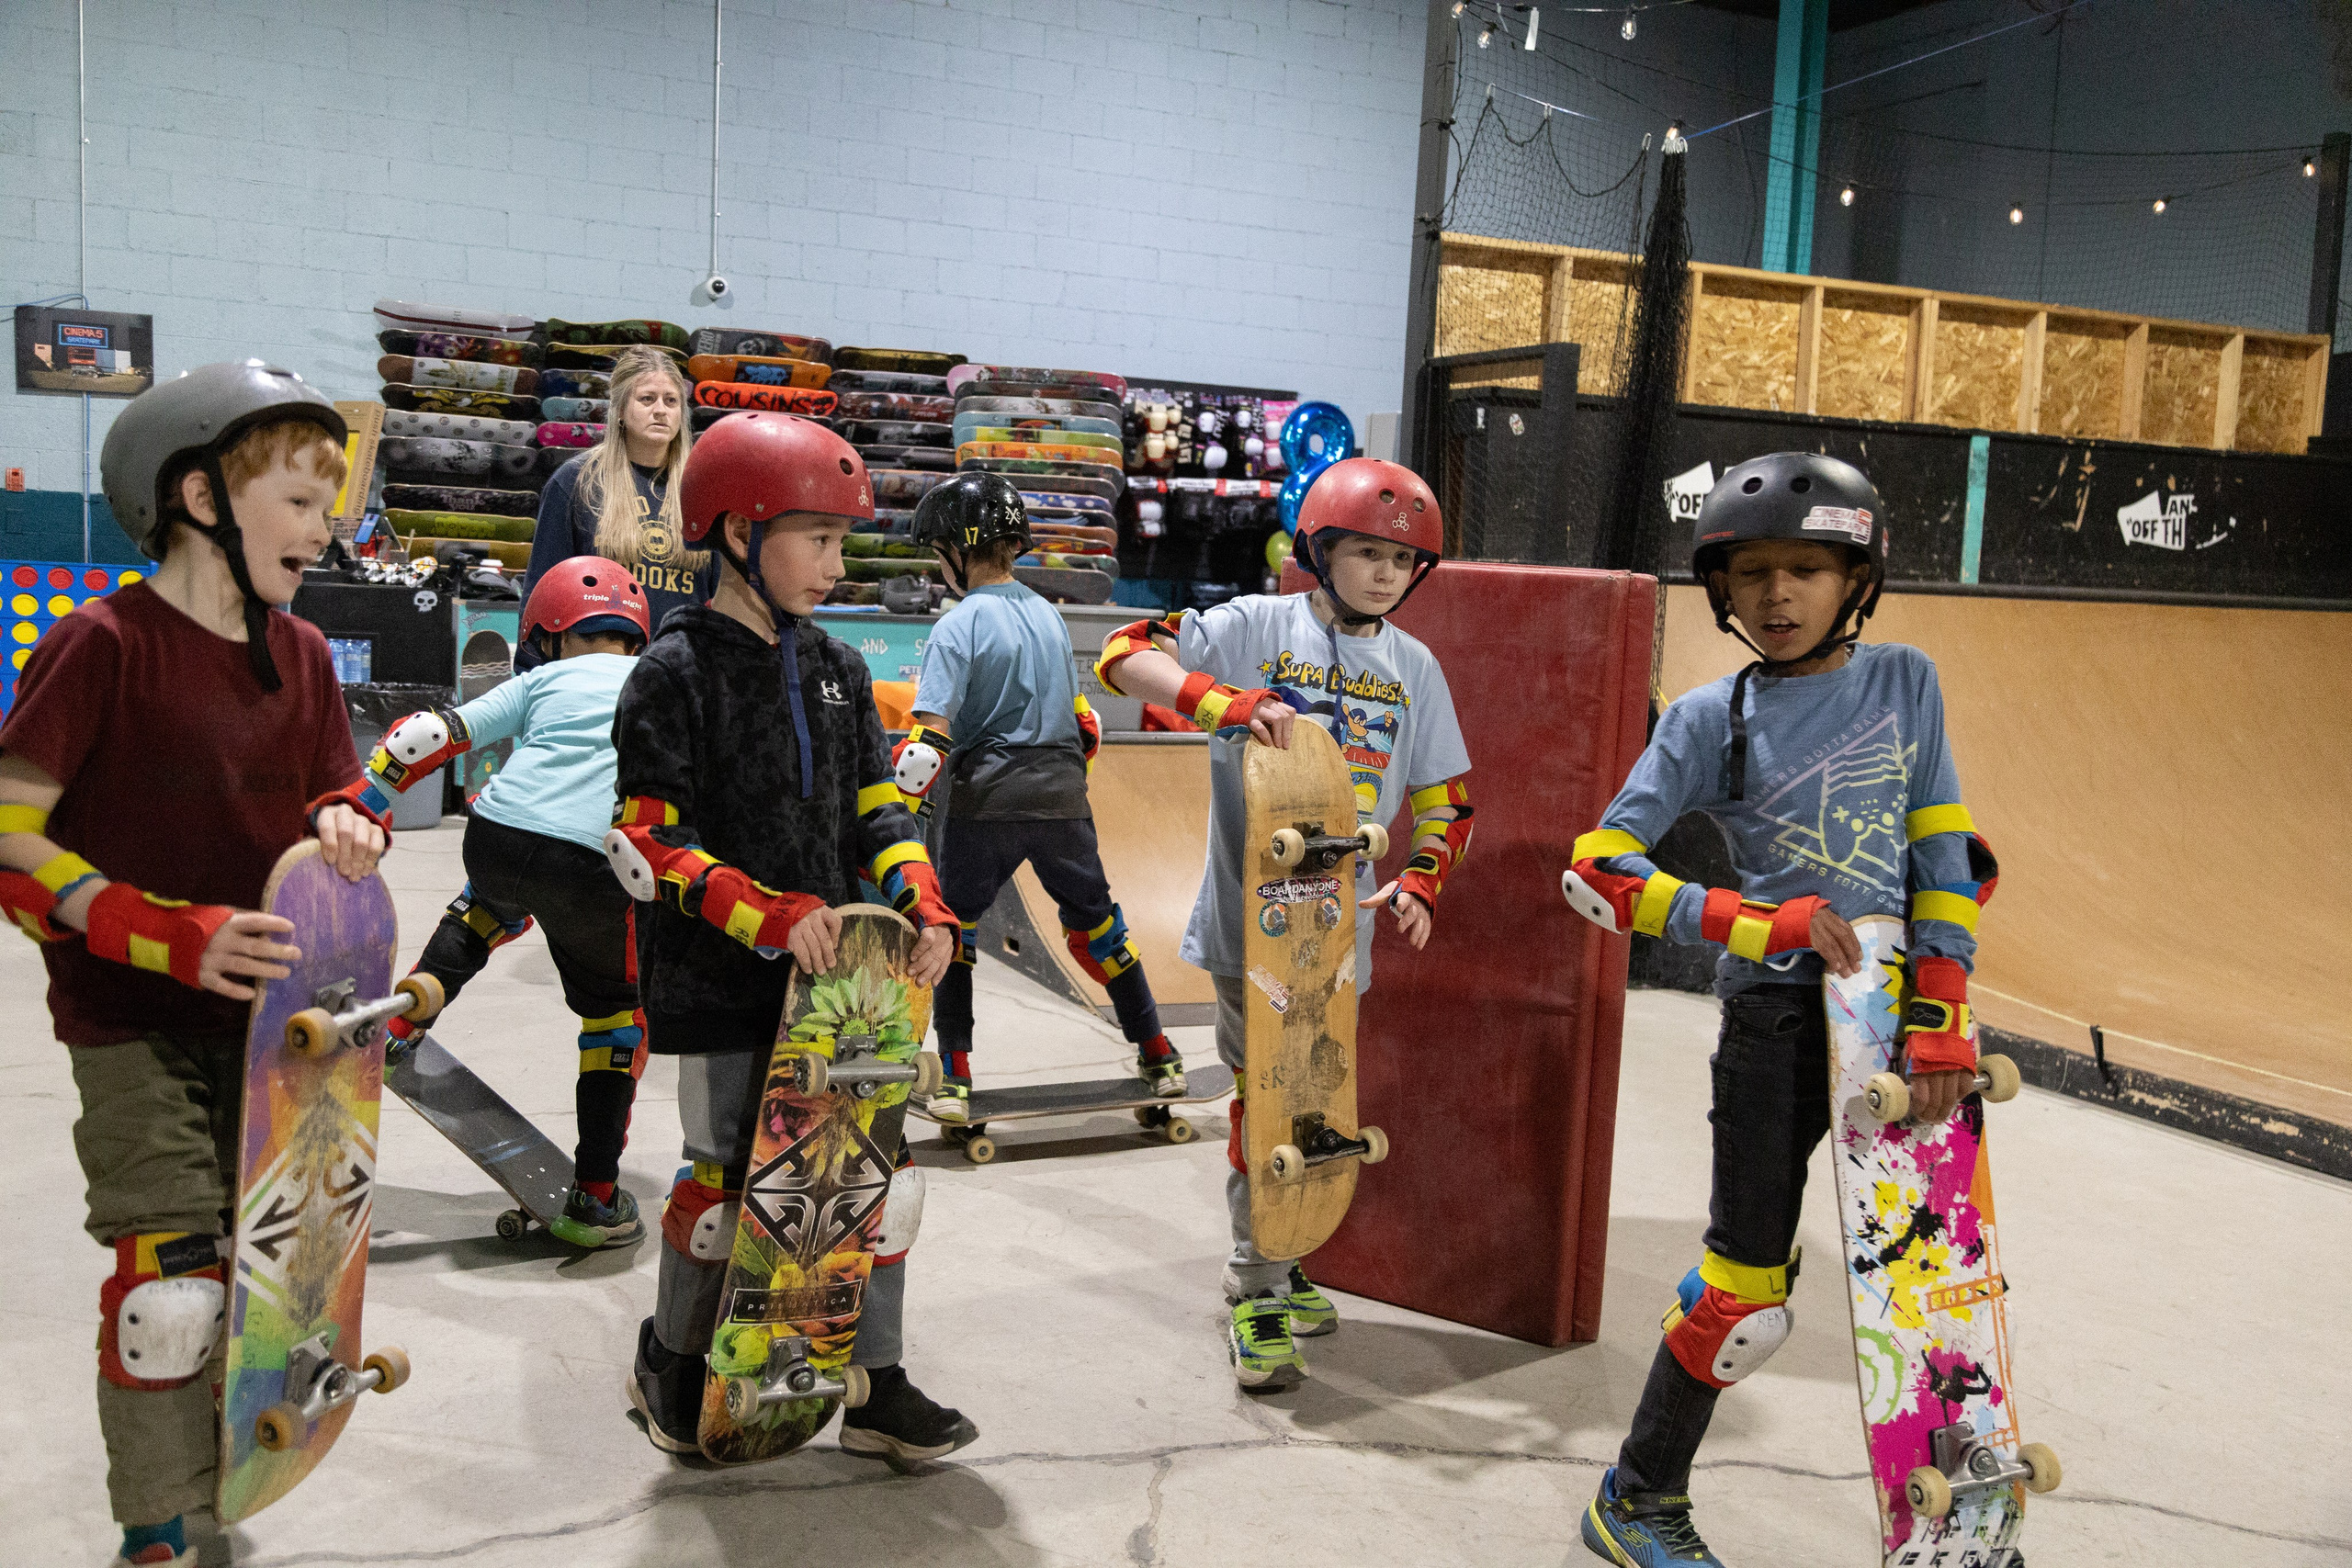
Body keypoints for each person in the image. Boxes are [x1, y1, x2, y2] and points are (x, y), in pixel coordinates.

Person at [1559, 452, 1998, 1568]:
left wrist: (1942, 1005)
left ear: (1859, 576)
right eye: (1751, 572)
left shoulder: (1907, 682)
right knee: (1744, 1291)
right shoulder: (1713, 714)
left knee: (1930, 1291)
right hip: (1773, 1026)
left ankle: (1951, 1524)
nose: (1777, 596)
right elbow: (1599, 867)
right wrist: (1756, 924)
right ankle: (1639, 1497)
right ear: (1722, 588)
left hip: (1897, 1023)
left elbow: (1940, 850)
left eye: (1807, 568)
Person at [0, 362, 391, 1568]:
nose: (323, 530)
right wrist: (166, 929)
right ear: (197, 495)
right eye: (299, 501)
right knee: (170, 1290)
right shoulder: (101, 646)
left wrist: (349, 820)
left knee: (277, 1273)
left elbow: (337, 780)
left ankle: (226, 1465)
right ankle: (155, 1526)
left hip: (282, 1031)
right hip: (130, 1018)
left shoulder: (309, 655)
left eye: (329, 507)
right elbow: (12, 840)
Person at [608, 412, 978, 1467]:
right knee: (730, 1189)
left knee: (873, 1180)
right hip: (723, 979)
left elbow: (879, 811)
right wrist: (773, 917)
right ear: (733, 532)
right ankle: (675, 1362)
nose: (834, 560)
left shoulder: (839, 667)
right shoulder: (671, 672)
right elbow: (650, 844)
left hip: (846, 984)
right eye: (812, 536)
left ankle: (871, 1381)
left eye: (841, 538)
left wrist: (925, 907)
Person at [1092, 457, 1476, 1391]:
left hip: (1344, 940)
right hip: (1246, 929)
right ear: (1319, 550)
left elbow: (1449, 802)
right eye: (1367, 554)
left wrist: (1423, 881)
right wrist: (1226, 701)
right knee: (1266, 1099)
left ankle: (1285, 1251)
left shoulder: (1412, 666)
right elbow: (1123, 652)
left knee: (1316, 1100)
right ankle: (1256, 1286)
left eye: (1401, 561)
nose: (1385, 575)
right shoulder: (1254, 626)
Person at [355, 556, 656, 1249]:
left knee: (487, 906)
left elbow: (428, 735)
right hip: (596, 862)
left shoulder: (540, 677)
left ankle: (401, 1029)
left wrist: (364, 804)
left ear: (544, 635)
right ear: (635, 637)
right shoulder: (655, 681)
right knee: (618, 1019)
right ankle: (596, 1199)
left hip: (500, 832)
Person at [899, 471, 1187, 1120]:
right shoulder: (1049, 616)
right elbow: (1085, 726)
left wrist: (895, 807)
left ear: (956, 550)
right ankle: (1160, 1054)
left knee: (955, 932)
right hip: (1063, 798)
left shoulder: (957, 624)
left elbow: (928, 744)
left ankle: (954, 1079)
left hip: (986, 802)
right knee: (1104, 928)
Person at [526, 344, 708, 632]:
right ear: (621, 410)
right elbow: (541, 590)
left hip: (683, 667)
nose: (660, 410)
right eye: (647, 399)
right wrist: (534, 671)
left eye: (671, 401)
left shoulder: (702, 488)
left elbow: (720, 597)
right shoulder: (576, 482)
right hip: (601, 666)